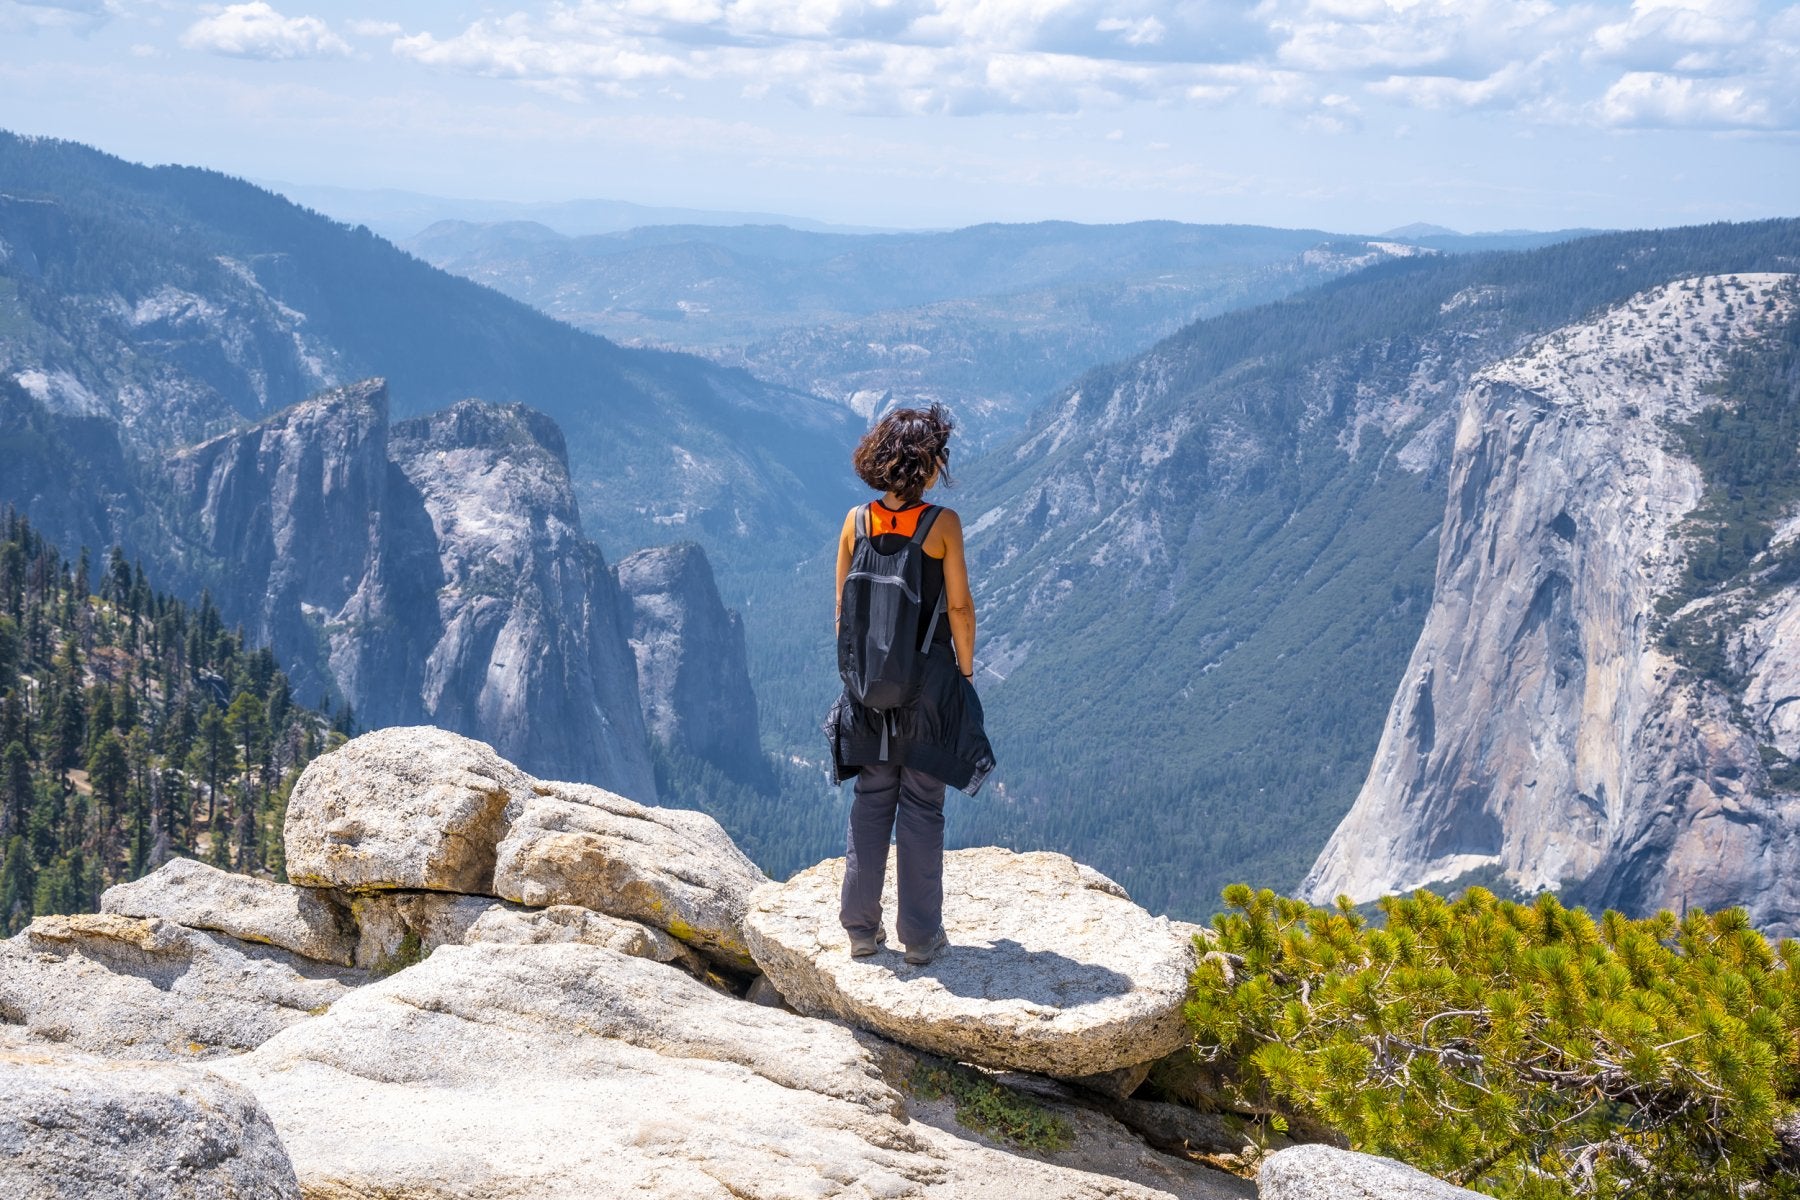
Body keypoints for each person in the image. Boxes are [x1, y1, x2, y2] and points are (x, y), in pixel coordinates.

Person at [826, 403, 995, 967]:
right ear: (926, 465)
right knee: (922, 804)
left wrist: (861, 681)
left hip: (869, 690)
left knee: (872, 800)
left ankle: (859, 931)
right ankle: (921, 939)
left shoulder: (855, 521)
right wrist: (964, 675)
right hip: (928, 688)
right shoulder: (941, 525)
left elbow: (842, 615)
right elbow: (961, 607)